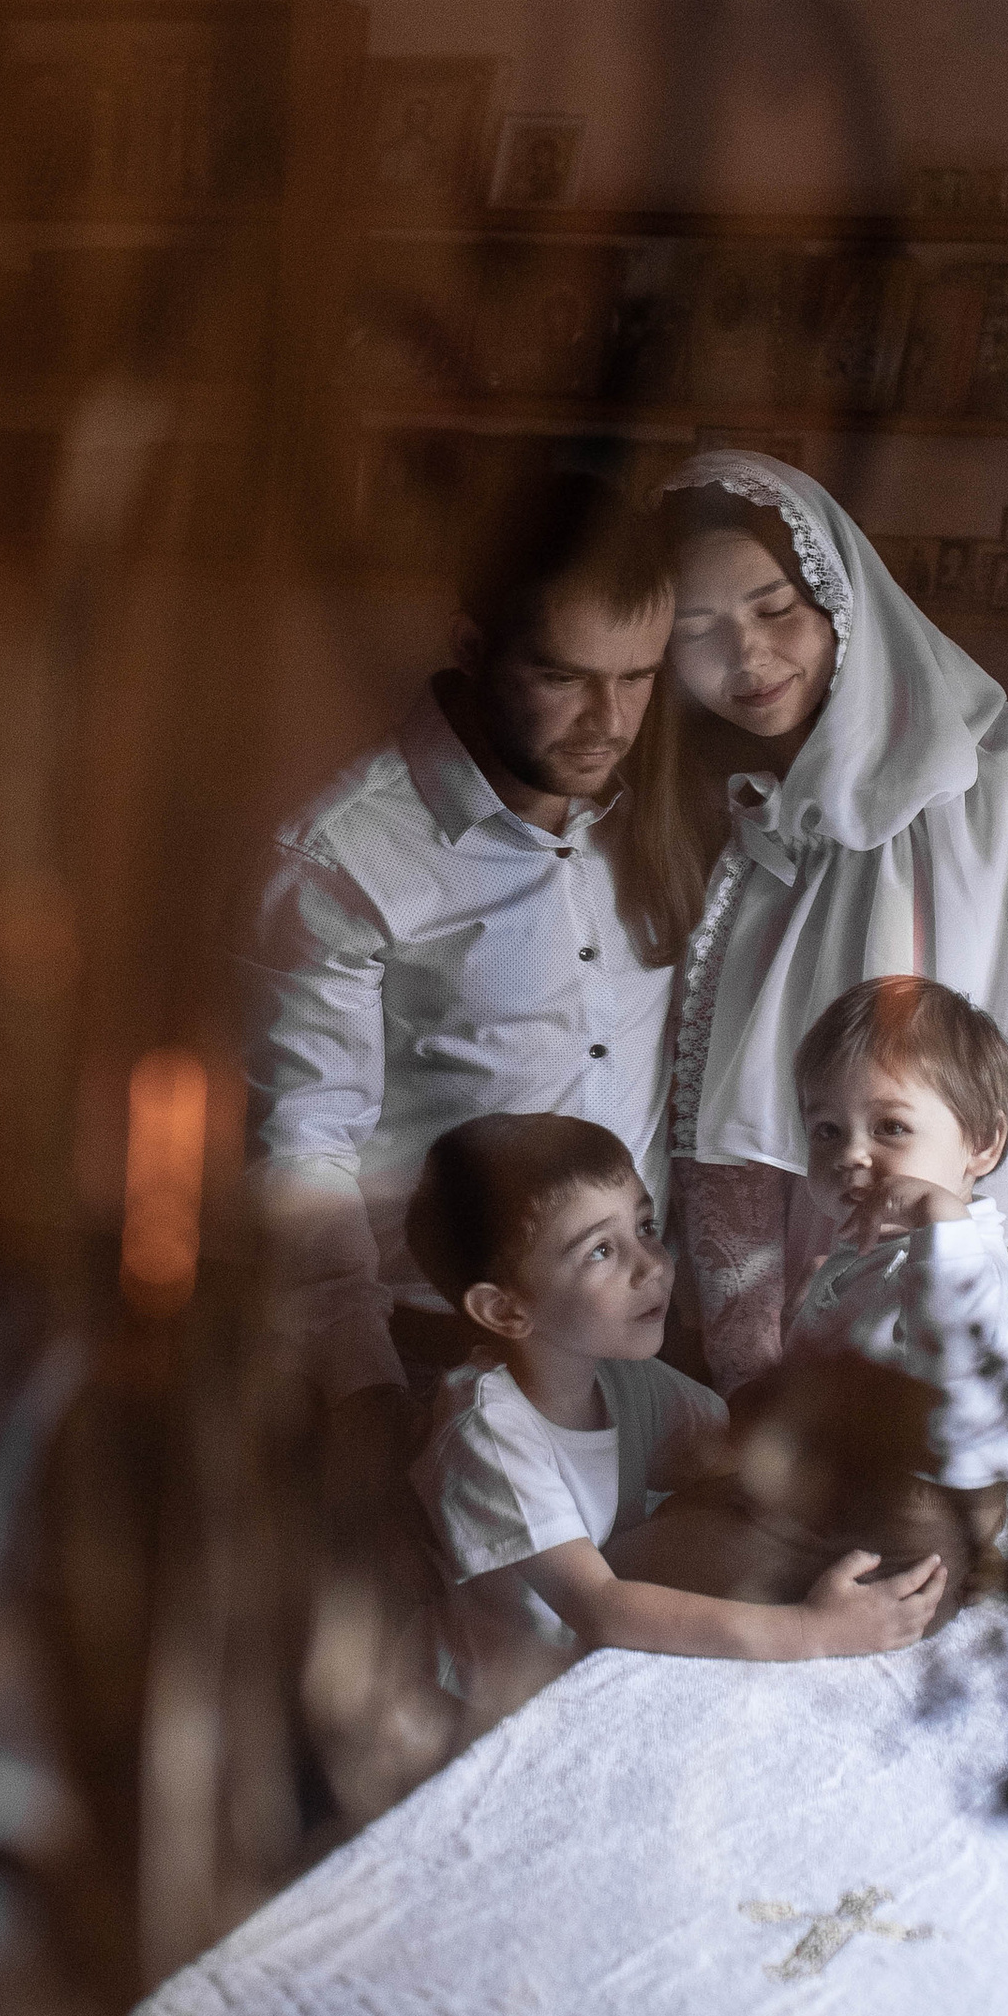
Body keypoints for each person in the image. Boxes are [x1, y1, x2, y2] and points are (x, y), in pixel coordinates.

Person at [635, 451, 1008, 1389]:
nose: (746, 659)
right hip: (773, 1216)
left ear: (840, 598)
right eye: (697, 628)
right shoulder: (707, 798)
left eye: (773, 609)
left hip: (961, 1214)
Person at [241, 467, 677, 1403]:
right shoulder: (345, 854)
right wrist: (363, 1392)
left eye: (638, 677)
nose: (609, 723)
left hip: (633, 1356)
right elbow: (304, 1146)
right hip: (437, 1357)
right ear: (474, 648)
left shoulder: (662, 816)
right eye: (564, 677)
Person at [406, 1112, 944, 1691]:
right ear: (507, 1311)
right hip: (501, 1698)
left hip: (607, 1663)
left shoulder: (620, 1378)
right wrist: (816, 1632)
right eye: (600, 1252)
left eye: (646, 1227)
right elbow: (601, 1606)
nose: (652, 1265)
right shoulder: (486, 1428)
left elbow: (734, 1449)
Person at [783, 972, 1008, 1522]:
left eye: (890, 1127)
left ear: (982, 1145)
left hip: (937, 1509)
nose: (851, 1155)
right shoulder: (860, 1258)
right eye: (826, 1130)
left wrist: (937, 1215)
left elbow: (962, 1405)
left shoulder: (961, 1257)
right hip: (847, 1497)